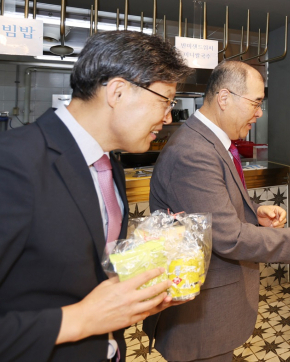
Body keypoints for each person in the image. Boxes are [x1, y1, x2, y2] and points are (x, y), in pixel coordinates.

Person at [0, 31, 193, 361]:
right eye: (165, 102)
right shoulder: (14, 163)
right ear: (117, 92)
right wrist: (81, 320)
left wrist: (146, 271)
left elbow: (88, 263)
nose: (167, 117)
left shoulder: (109, 162)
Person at [145, 60, 290, 362]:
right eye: (256, 103)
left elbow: (212, 209)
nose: (259, 113)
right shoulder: (195, 152)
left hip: (212, 307)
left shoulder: (212, 142)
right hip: (202, 317)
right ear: (224, 98)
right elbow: (227, 236)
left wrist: (254, 211)